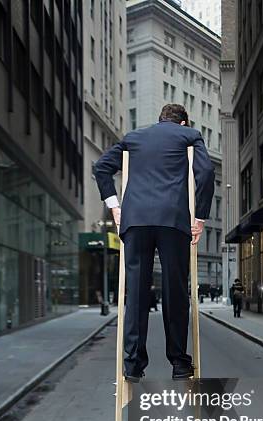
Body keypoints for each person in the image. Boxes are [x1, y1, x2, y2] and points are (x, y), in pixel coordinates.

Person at [94, 104, 215, 382]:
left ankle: (133, 364)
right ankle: (179, 363)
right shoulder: (190, 136)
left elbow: (101, 167)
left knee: (136, 292)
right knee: (175, 290)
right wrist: (200, 217)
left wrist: (115, 206)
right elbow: (205, 173)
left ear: (160, 119)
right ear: (183, 122)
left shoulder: (133, 137)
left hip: (135, 220)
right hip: (173, 218)